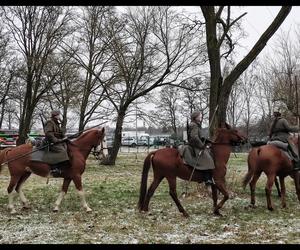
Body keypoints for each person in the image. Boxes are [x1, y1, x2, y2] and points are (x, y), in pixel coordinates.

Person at [187, 111, 215, 186]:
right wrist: (202, 146)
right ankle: (207, 179)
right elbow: (194, 137)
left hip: (198, 144)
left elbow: (199, 136)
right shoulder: (194, 125)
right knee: (207, 159)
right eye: (200, 116)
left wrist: (207, 140)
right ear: (195, 117)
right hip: (195, 145)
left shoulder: (197, 125)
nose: (201, 117)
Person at [44, 110, 70, 175]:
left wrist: (65, 137)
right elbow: (48, 134)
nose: (59, 116)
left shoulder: (56, 123)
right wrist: (56, 140)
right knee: (62, 151)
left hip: (58, 142)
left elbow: (60, 133)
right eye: (58, 115)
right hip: (51, 142)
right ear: (55, 116)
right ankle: (55, 168)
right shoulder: (50, 122)